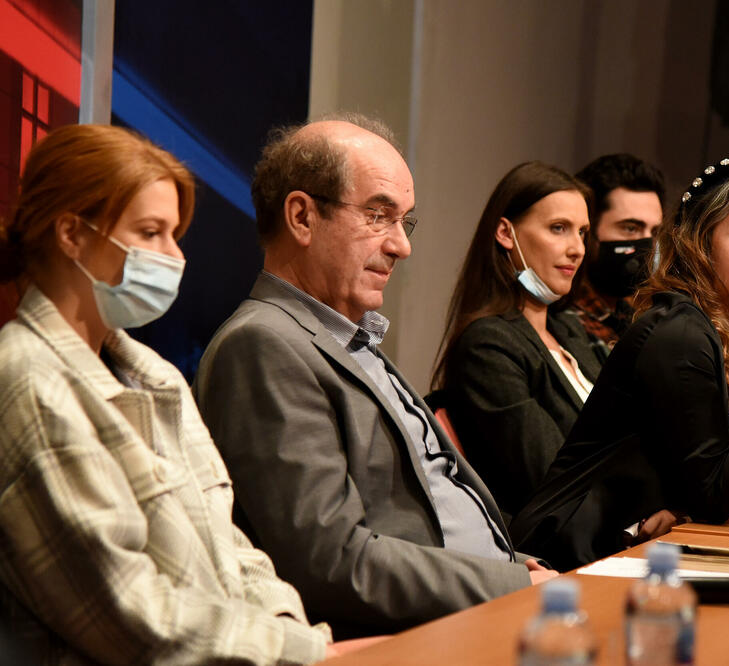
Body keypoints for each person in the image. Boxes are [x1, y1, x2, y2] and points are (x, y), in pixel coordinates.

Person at [0, 124, 351, 664]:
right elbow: (132, 615)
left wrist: (296, 635)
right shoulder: (27, 387)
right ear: (72, 234)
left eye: (174, 235)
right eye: (149, 232)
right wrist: (301, 653)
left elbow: (231, 548)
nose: (174, 257)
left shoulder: (154, 375)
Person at [193, 114, 555, 639]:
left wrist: (527, 572)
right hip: (411, 636)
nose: (401, 246)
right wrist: (512, 585)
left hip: (487, 604)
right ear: (302, 216)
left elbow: (431, 509)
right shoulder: (263, 344)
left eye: (403, 222)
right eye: (379, 215)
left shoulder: (346, 337)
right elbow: (328, 561)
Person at [510, 156, 729, 570]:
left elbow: (721, 485)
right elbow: (721, 492)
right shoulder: (681, 332)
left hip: (629, 544)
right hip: (568, 553)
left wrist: (698, 499)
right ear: (701, 244)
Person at [430, 161, 600, 519]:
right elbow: (553, 478)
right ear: (505, 233)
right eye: (559, 229)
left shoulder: (570, 330)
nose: (577, 249)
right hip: (562, 549)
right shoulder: (488, 345)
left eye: (582, 232)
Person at [569, 153, 665, 360]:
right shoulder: (560, 322)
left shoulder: (645, 319)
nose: (647, 245)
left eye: (654, 232)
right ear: (586, 229)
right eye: (630, 228)